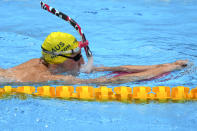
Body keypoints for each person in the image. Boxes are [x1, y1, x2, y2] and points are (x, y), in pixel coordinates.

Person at [0, 32, 188, 84]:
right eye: (76, 58)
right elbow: (107, 81)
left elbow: (110, 69)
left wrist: (163, 64)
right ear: (59, 60)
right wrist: (167, 70)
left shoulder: (46, 61)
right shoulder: (48, 78)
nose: (82, 62)